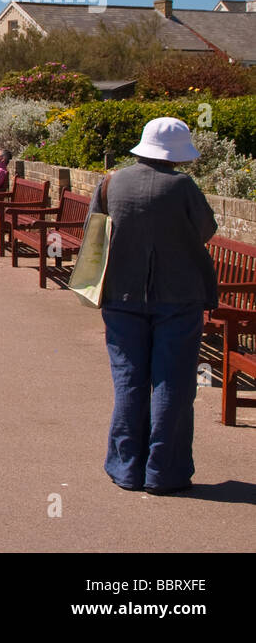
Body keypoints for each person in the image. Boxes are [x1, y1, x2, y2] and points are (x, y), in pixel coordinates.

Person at [88, 117, 216, 495]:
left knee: (129, 380)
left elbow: (94, 231)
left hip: (121, 296)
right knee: (172, 383)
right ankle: (165, 471)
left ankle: (127, 467)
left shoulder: (111, 182)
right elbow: (206, 230)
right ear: (177, 154)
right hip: (179, 296)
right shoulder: (183, 187)